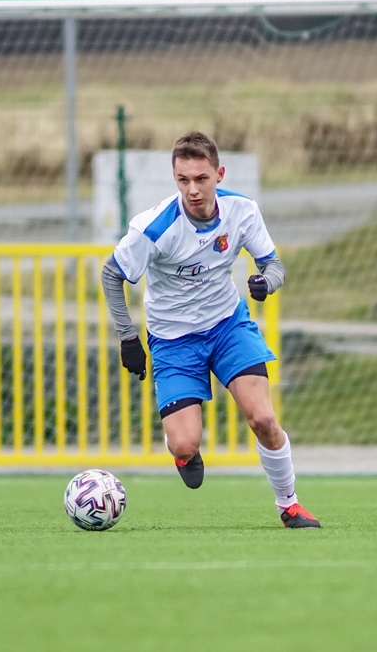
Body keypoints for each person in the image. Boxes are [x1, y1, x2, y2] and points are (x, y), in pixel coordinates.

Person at [100, 132, 319, 528]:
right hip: (172, 340)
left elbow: (274, 266)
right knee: (185, 442)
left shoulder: (242, 211)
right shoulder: (154, 228)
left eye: (201, 179)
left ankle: (289, 506)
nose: (192, 190)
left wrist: (265, 283)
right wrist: (128, 337)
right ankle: (182, 452)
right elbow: (111, 274)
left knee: (263, 419)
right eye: (183, 180)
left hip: (227, 326)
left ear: (219, 174)